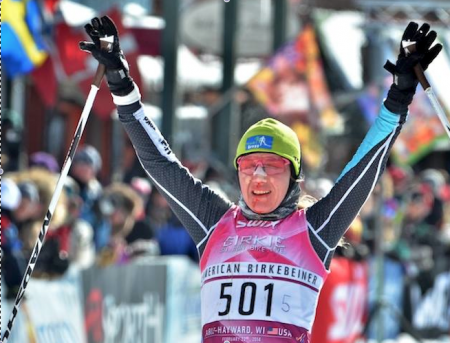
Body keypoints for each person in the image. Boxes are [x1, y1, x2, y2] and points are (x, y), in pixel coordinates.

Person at [80, 17, 442, 342]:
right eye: (249, 165)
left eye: (272, 165)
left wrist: (399, 96)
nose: (259, 175)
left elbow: (364, 170)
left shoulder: (314, 230)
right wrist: (121, 84)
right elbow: (160, 164)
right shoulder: (214, 224)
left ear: (294, 177)